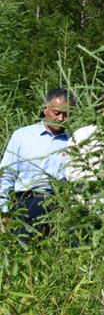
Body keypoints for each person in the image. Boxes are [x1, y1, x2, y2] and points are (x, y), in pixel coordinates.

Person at [0, 88, 77, 235]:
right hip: (26, 205)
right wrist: (4, 210)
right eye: (57, 113)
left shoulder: (74, 140)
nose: (61, 118)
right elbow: (6, 174)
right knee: (25, 252)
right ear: (45, 109)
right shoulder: (22, 136)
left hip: (62, 207)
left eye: (67, 114)